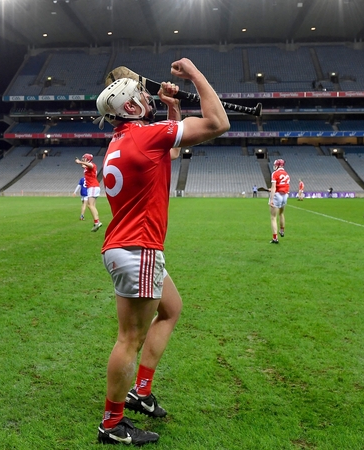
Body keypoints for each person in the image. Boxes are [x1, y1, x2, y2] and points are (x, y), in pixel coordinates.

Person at [94, 58, 229, 446]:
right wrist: (194, 75)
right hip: (140, 247)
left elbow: (166, 155)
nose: (144, 97)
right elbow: (218, 123)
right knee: (128, 339)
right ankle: (112, 424)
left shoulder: (121, 141)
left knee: (171, 309)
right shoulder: (146, 136)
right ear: (130, 107)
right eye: (140, 95)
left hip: (124, 246)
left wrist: (172, 108)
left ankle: (140, 390)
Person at [74, 153, 103, 231]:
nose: (83, 159)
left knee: (90, 205)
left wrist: (80, 162)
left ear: (88, 159)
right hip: (93, 187)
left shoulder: (91, 165)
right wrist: (79, 163)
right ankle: (96, 222)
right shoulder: (87, 166)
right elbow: (84, 166)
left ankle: (97, 222)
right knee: (92, 205)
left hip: (93, 186)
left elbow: (89, 165)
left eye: (84, 158)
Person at [268, 159, 290, 243]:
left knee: (273, 217)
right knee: (281, 213)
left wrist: (271, 199)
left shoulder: (275, 173)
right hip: (285, 195)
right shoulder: (287, 174)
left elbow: (274, 187)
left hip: (277, 196)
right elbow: (283, 185)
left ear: (277, 165)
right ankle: (282, 230)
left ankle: (275, 238)